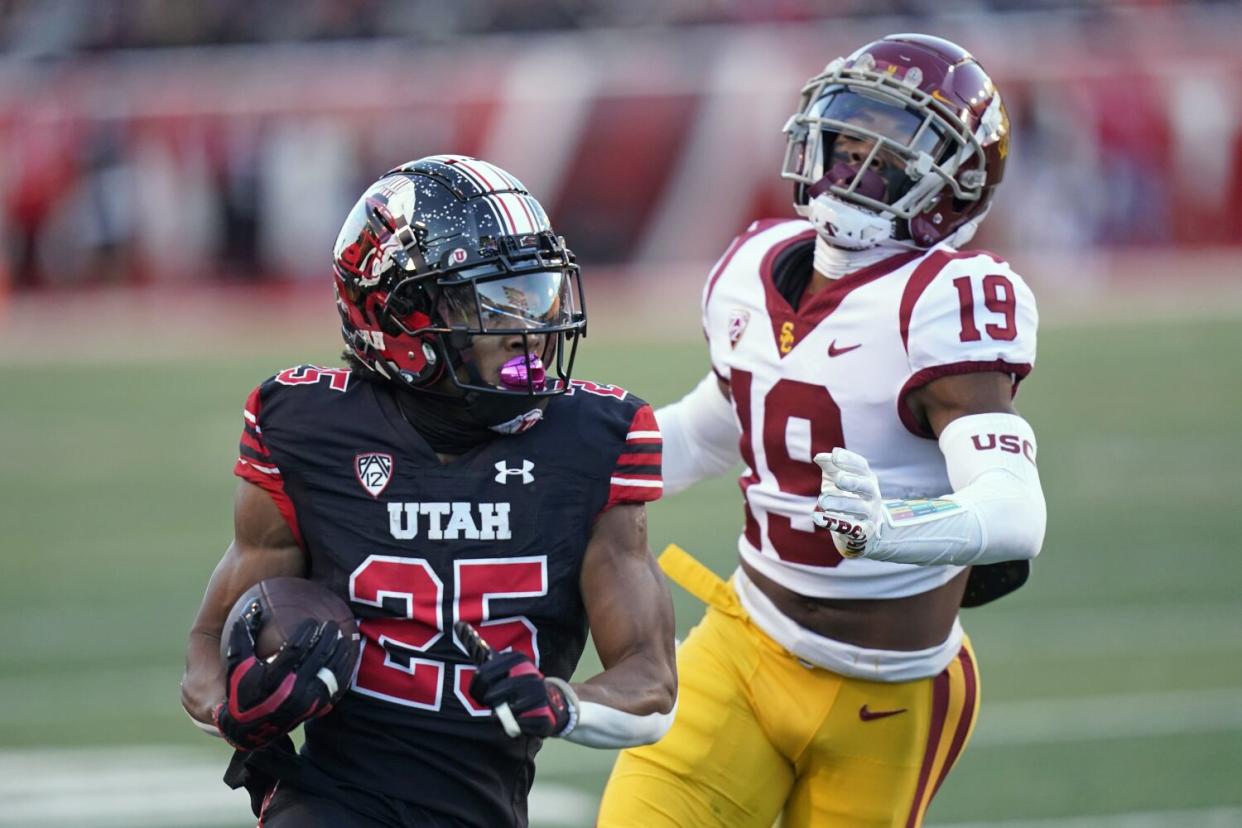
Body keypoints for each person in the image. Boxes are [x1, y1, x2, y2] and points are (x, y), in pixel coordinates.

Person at [598, 34, 1046, 828]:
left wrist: (891, 530)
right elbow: (710, 434)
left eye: (889, 149)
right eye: (849, 136)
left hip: (890, 691)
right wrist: (566, 471)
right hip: (743, 646)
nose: (853, 162)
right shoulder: (754, 266)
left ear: (956, 182)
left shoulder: (942, 300)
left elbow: (1014, 514)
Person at [180, 155, 677, 828]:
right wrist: (236, 709)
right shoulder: (307, 429)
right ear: (400, 314)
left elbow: (651, 681)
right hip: (330, 800)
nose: (530, 326)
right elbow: (208, 646)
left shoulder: (592, 440)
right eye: (492, 301)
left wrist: (563, 703)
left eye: (534, 292)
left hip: (481, 806)